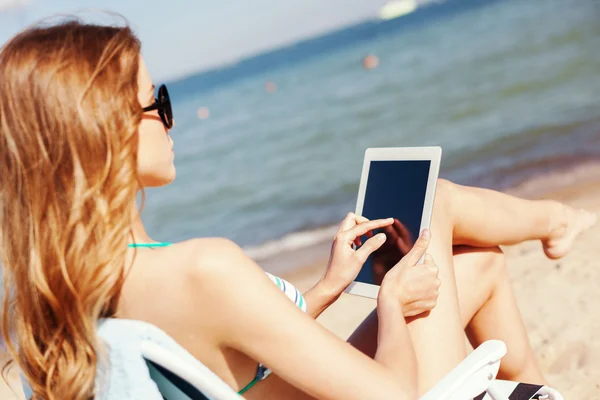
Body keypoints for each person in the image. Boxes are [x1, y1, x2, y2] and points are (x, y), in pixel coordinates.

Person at [0, 20, 595, 400]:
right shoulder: (203, 269)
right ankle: (554, 223)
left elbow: (224, 364)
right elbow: (391, 395)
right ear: (108, 132)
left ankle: (540, 375)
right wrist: (387, 303)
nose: (169, 117)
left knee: (479, 268)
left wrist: (330, 287)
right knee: (433, 203)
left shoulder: (44, 310)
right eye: (157, 103)